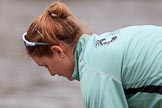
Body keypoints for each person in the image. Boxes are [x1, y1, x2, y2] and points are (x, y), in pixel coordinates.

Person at [22, 1, 162, 108]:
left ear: (58, 51)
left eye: (46, 66)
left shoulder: (93, 72)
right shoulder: (99, 48)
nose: (51, 73)